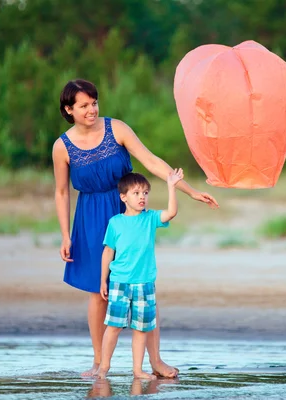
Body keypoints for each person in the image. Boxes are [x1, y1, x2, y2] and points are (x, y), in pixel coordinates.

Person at [52, 79, 218, 377]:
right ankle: (99, 361)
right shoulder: (61, 147)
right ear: (68, 110)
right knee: (97, 290)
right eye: (84, 105)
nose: (92, 109)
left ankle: (155, 361)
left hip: (128, 211)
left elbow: (152, 162)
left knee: (142, 285)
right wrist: (65, 234)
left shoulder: (117, 129)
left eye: (94, 102)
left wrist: (190, 191)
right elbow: (62, 192)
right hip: (90, 220)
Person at [96, 170, 181, 380]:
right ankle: (103, 368)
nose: (142, 197)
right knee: (113, 327)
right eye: (136, 193)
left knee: (142, 329)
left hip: (144, 284)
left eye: (145, 192)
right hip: (119, 282)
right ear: (123, 197)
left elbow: (170, 213)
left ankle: (137, 370)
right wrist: (102, 281)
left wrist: (171, 186)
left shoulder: (151, 218)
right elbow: (108, 252)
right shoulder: (115, 222)